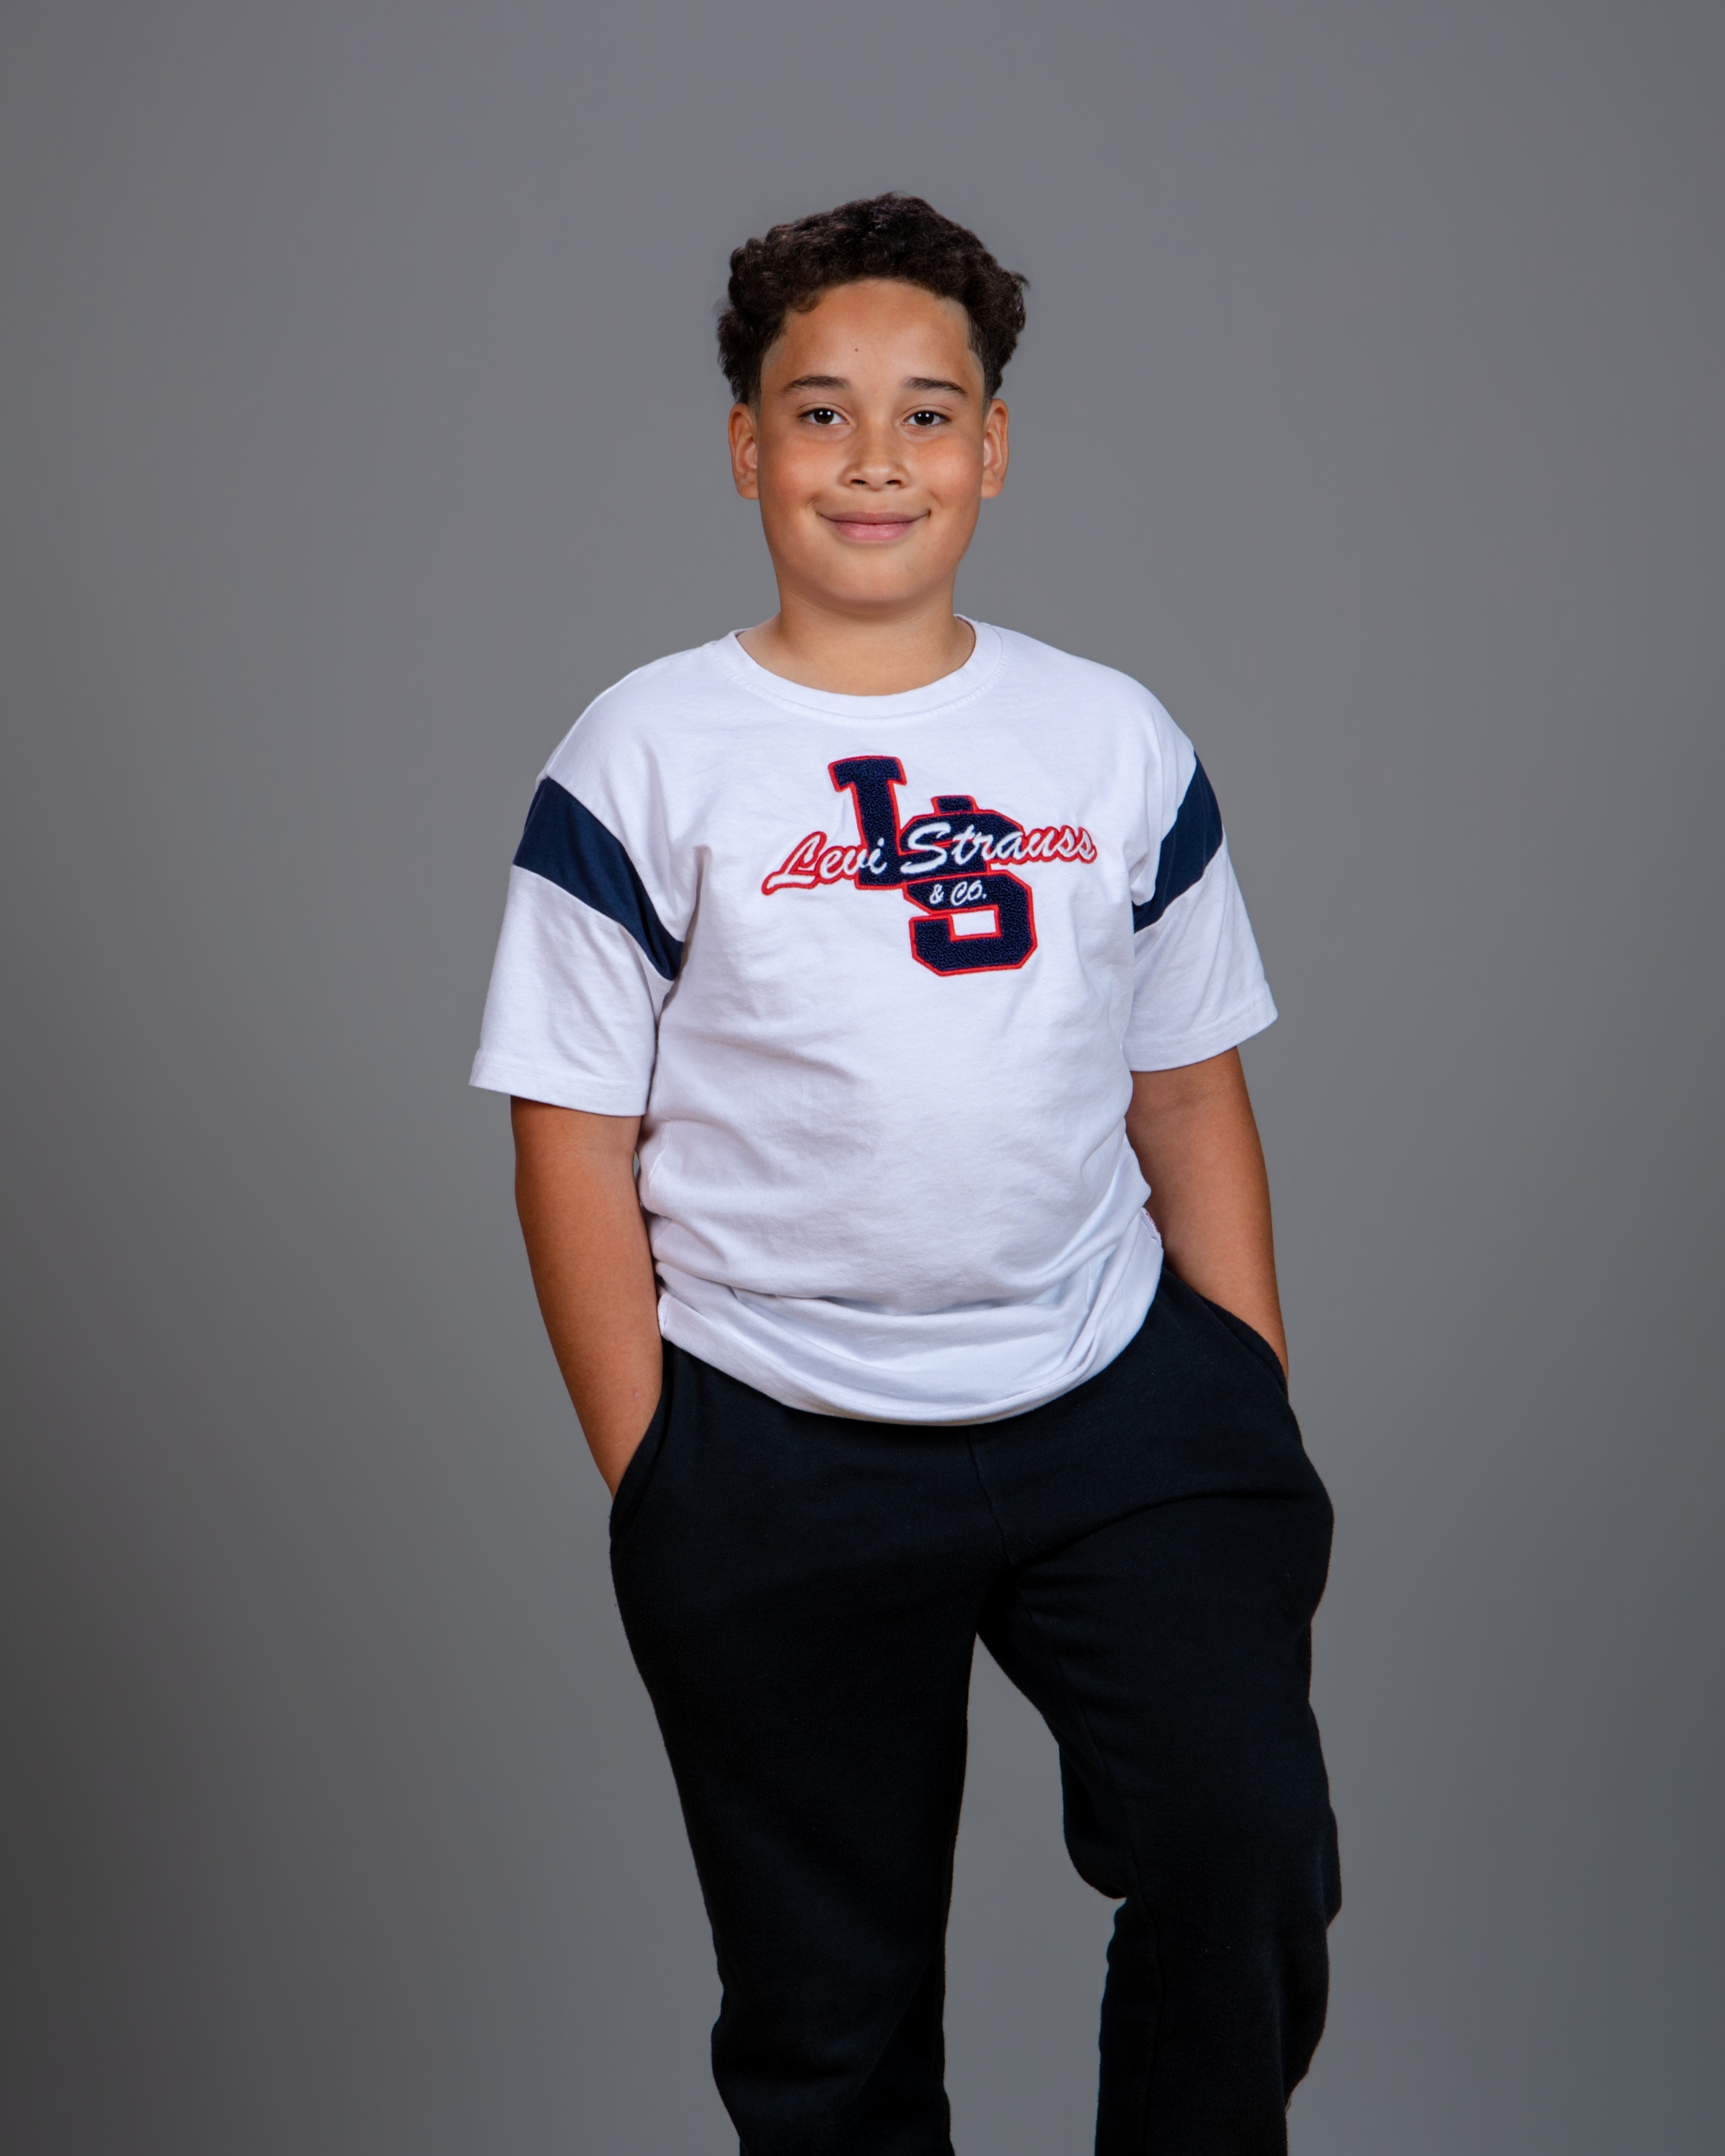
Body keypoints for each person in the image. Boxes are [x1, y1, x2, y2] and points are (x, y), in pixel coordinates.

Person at [472, 192, 1340, 2155]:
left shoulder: (1108, 736)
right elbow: (567, 1131)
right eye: (822, 412)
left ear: (994, 448)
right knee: (831, 2010)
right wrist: (658, 1471)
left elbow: (1189, 1092)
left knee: (1241, 1846)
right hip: (777, 1429)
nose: (877, 457)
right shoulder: (642, 756)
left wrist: (1247, 1392)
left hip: (1114, 1397)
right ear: (745, 447)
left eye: (928, 413)